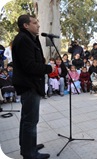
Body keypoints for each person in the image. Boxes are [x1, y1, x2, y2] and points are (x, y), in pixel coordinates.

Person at [12, 14, 53, 159]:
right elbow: (29, 66)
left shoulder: (30, 38)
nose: (38, 25)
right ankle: (30, 154)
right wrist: (48, 68)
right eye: (35, 23)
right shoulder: (24, 40)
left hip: (31, 84)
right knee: (30, 121)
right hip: (29, 85)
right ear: (26, 25)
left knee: (27, 119)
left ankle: (28, 146)